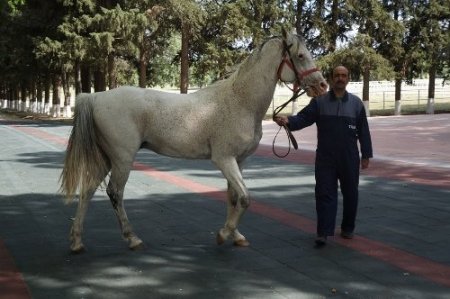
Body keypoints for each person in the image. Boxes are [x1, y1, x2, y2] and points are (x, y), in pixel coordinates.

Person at [274, 65, 373, 246]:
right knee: (324, 193)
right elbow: (303, 118)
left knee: (351, 193)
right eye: (337, 75)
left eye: (344, 75)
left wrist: (366, 154)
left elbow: (364, 132)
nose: (340, 78)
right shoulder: (319, 102)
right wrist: (288, 121)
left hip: (349, 157)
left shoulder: (356, 104)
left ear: (348, 79)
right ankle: (323, 232)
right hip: (325, 157)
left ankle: (348, 228)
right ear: (331, 78)